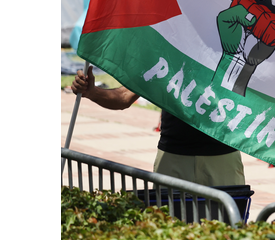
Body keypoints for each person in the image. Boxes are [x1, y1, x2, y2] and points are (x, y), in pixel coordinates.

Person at [70, 66, 245, 187]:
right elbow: (123, 97)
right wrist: (92, 92)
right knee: (168, 234)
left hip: (223, 156)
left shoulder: (233, 45)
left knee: (227, 234)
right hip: (173, 155)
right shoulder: (167, 47)